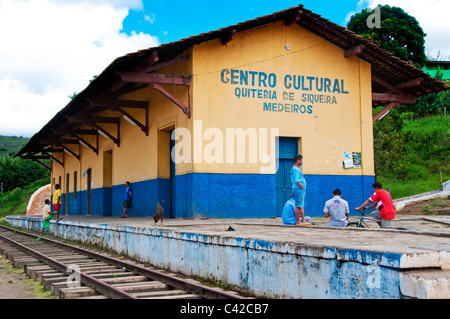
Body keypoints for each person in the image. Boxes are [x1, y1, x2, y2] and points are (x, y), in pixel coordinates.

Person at [289, 154, 310, 226]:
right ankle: (298, 221)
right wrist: (302, 188)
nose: (302, 162)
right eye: (301, 160)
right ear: (298, 160)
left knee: (301, 205)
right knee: (298, 205)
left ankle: (303, 220)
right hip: (298, 189)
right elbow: (297, 180)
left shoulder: (296, 169)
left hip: (299, 189)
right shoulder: (295, 169)